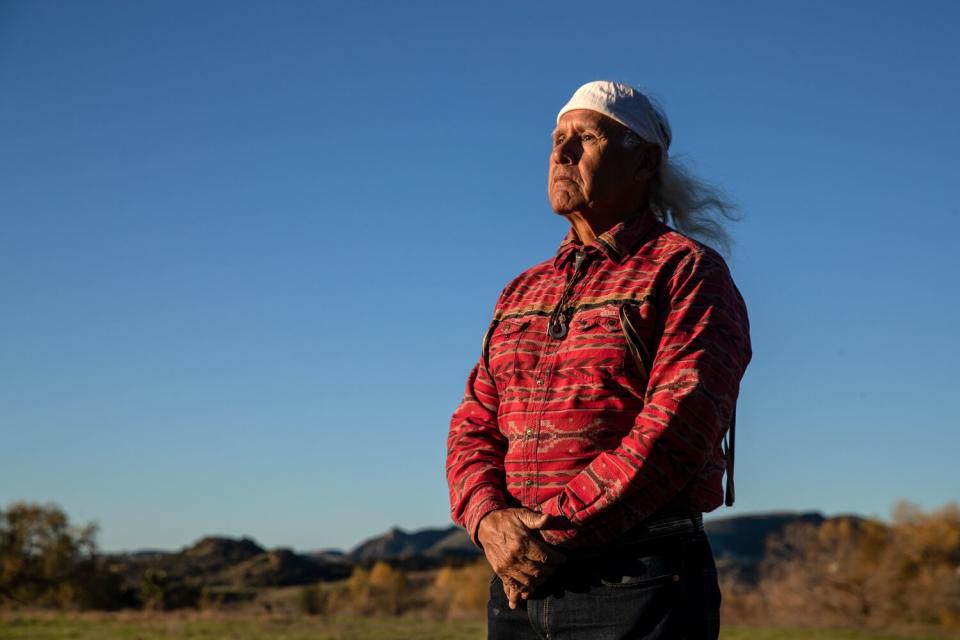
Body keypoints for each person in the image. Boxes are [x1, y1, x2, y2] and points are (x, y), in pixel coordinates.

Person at [446, 80, 752, 639]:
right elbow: (473, 422)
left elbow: (677, 427)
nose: (560, 154)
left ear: (644, 163)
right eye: (555, 139)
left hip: (638, 580)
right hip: (520, 584)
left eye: (583, 138)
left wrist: (549, 536)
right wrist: (488, 519)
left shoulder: (686, 273)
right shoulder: (522, 291)